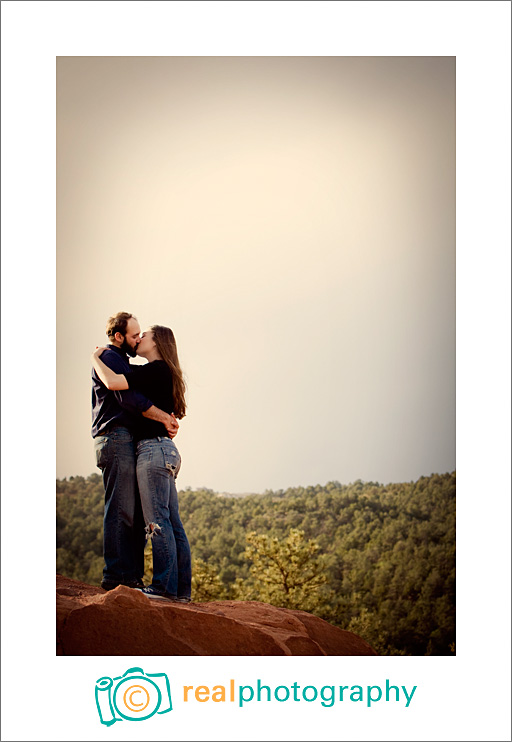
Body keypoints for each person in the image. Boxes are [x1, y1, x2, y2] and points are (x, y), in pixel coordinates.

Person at [91, 324, 192, 603]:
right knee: (173, 523)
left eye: (144, 335)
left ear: (157, 342)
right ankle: (181, 591)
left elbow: (114, 383)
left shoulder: (153, 369)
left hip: (152, 452)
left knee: (157, 522)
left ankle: (162, 589)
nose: (139, 339)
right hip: (165, 451)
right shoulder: (162, 372)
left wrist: (95, 358)